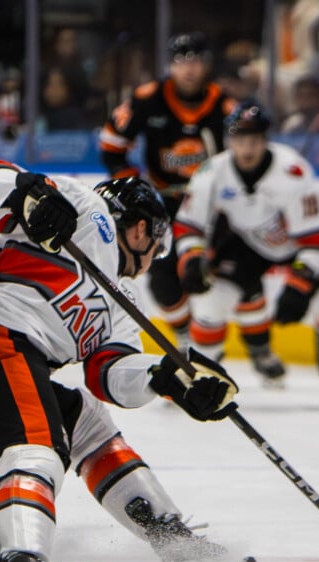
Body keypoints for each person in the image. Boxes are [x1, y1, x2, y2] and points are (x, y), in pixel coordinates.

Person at [0, 166, 257, 562]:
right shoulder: (85, 207)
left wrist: (165, 378)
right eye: (155, 247)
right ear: (141, 230)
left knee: (88, 425)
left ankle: (172, 538)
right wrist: (26, 193)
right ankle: (22, 561)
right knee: (37, 446)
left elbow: (110, 375)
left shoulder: (122, 302)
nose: (151, 260)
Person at [175, 99, 319, 381]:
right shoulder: (211, 173)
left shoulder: (293, 172)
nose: (247, 149)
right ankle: (202, 372)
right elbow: (188, 225)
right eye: (240, 140)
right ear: (229, 141)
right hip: (248, 245)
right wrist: (191, 258)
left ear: (265, 140)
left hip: (302, 250)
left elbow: (318, 242)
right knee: (210, 304)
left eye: (254, 140)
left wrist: (298, 285)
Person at [99, 32, 235, 350]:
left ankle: (223, 338)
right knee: (161, 277)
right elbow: (111, 145)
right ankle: (185, 334)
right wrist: (136, 189)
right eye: (181, 61)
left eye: (196, 61)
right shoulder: (147, 99)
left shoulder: (224, 106)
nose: (189, 68)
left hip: (210, 206)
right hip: (163, 202)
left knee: (212, 274)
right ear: (170, 66)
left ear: (207, 65)